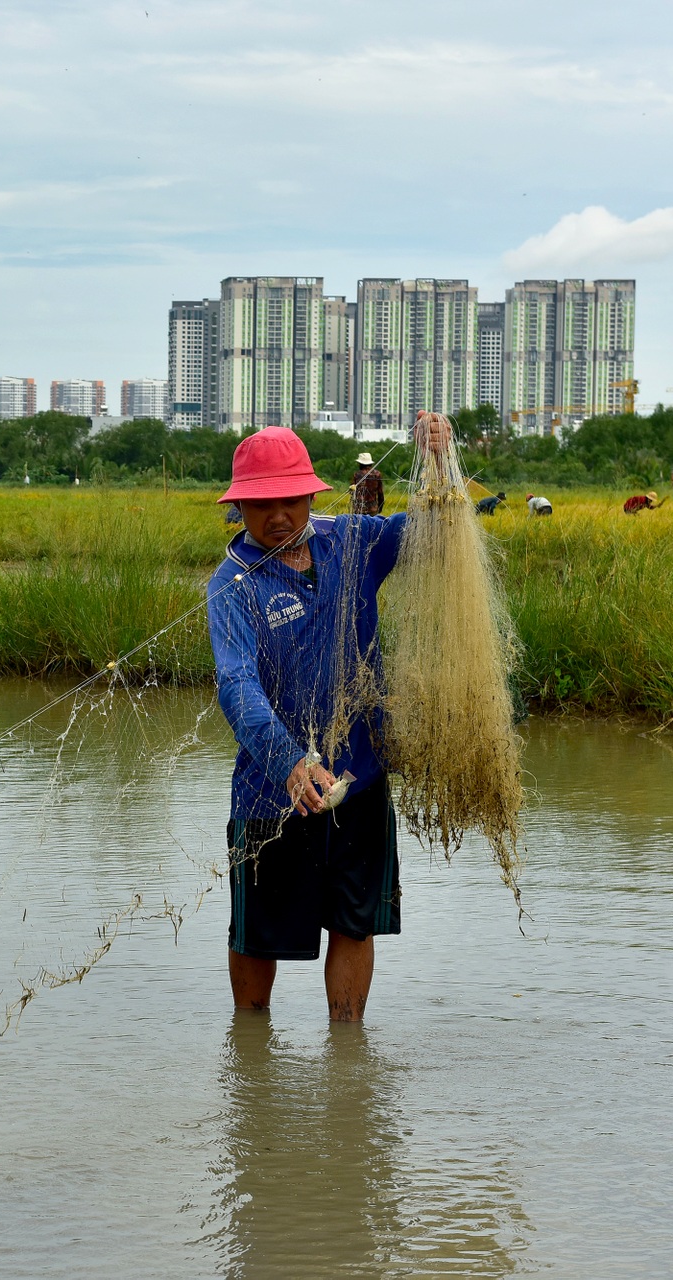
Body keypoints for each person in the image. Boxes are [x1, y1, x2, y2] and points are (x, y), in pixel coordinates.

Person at [207, 412, 453, 1021]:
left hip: (360, 776)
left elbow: (434, 534)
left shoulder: (352, 541)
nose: (278, 515)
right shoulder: (233, 584)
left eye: (289, 498)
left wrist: (438, 461)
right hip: (273, 792)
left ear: (310, 495)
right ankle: (251, 1053)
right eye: (261, 503)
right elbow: (236, 684)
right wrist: (290, 761)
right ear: (240, 507)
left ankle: (348, 1051)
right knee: (256, 935)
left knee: (355, 924)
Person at [348, 452, 384, 516]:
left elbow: (352, 491)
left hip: (359, 510)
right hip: (373, 509)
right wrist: (380, 507)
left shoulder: (357, 475)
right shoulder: (377, 474)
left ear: (361, 464)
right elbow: (380, 493)